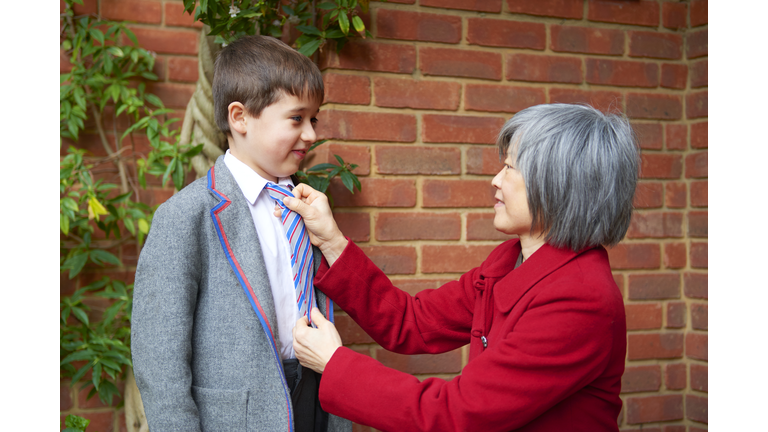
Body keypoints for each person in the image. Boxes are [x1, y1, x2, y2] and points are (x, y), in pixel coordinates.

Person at [284, 103, 640, 432]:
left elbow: (455, 414)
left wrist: (336, 366)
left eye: (511, 167)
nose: (496, 180)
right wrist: (331, 241)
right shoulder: (508, 263)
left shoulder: (581, 300)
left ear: (560, 185)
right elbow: (413, 322)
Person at [131, 35, 351, 432]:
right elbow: (159, 360)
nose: (311, 135)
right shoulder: (185, 217)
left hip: (316, 400)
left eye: (314, 119)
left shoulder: (306, 207)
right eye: (296, 118)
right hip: (237, 418)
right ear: (240, 117)